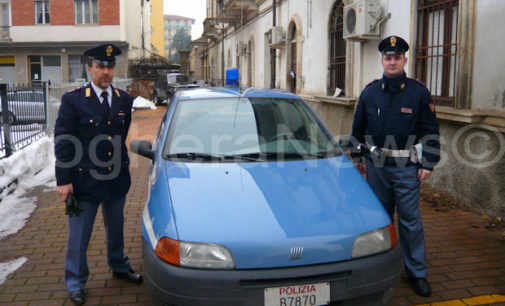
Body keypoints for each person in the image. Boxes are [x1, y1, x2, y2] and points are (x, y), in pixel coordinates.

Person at [350, 36, 440, 297]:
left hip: (406, 168)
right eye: (388, 57)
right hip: (376, 167)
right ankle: (380, 269)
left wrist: (428, 162)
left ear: (405, 60)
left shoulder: (418, 92)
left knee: (410, 221)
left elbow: (430, 129)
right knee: (379, 220)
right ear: (382, 60)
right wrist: (357, 159)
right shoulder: (369, 92)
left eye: (397, 57)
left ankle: (417, 273)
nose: (392, 61)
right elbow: (358, 130)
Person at [54, 44, 142, 305]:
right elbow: (63, 141)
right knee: (79, 236)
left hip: (115, 179)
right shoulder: (74, 100)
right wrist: (64, 180)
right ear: (90, 68)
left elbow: (119, 138)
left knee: (116, 229)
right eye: (101, 66)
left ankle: (119, 265)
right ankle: (76, 281)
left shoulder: (125, 100)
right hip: (84, 181)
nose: (106, 71)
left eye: (110, 66)